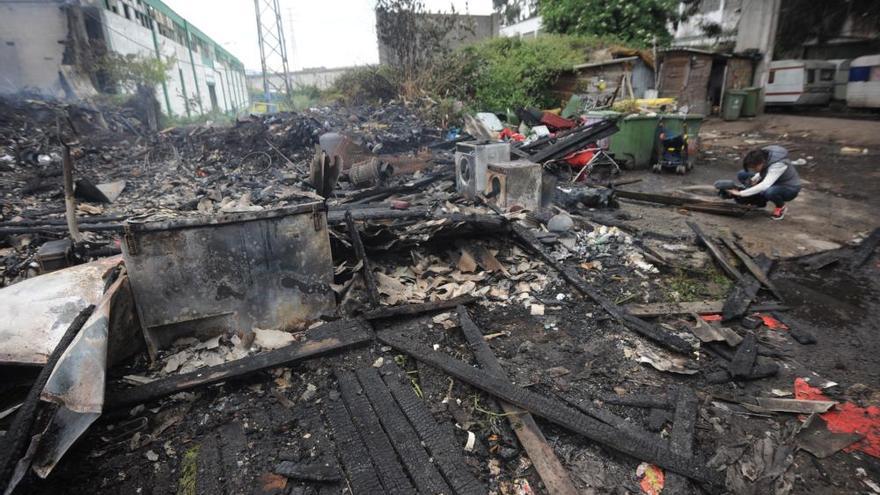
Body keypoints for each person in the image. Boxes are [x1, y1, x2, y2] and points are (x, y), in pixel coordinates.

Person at [715, 145, 802, 220]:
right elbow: (765, 172)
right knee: (743, 174)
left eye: (754, 167)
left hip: (789, 188)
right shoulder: (763, 154)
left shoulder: (778, 165)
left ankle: (780, 207)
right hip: (772, 180)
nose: (753, 169)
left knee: (769, 192)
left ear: (762, 162)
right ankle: (757, 201)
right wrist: (756, 177)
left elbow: (765, 185)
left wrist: (740, 193)